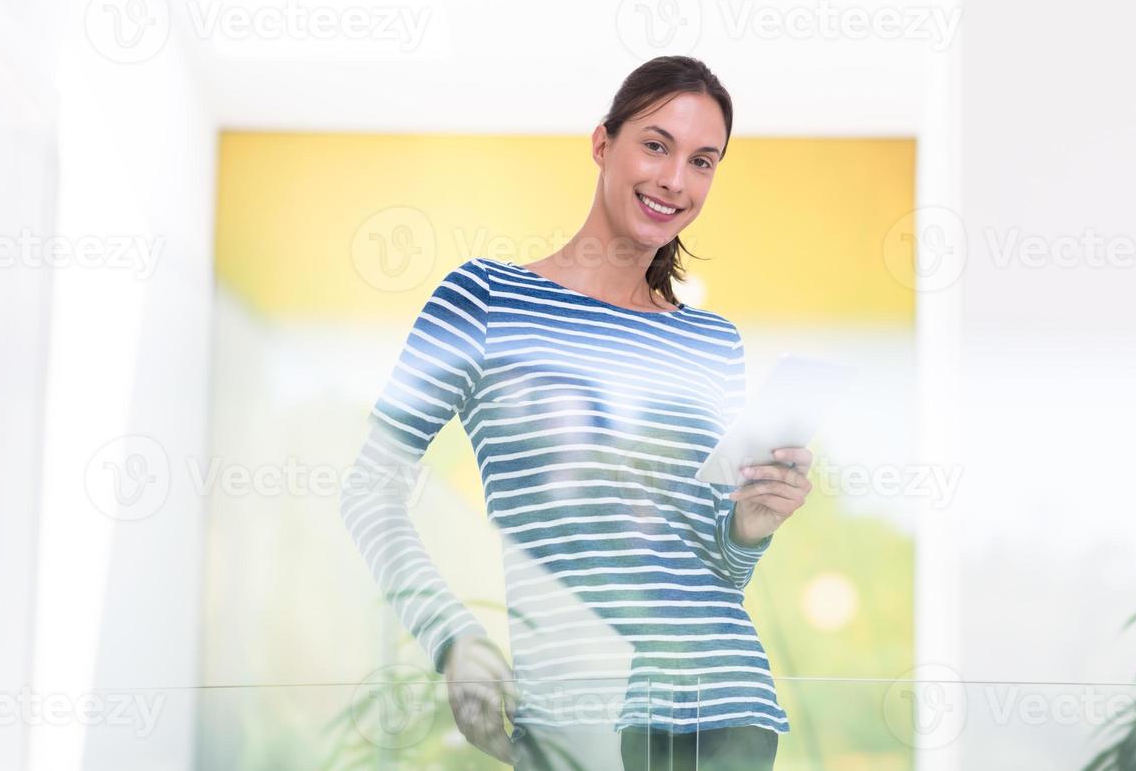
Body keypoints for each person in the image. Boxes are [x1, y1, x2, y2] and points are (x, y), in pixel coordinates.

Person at [340, 56, 814, 770]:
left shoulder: (710, 342)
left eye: (702, 161)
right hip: (580, 706)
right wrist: (455, 641)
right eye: (655, 145)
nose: (674, 180)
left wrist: (749, 529)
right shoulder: (485, 301)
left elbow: (712, 568)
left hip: (731, 703)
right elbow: (368, 491)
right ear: (603, 143)